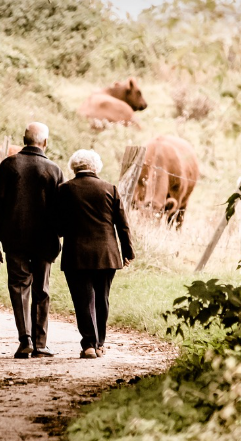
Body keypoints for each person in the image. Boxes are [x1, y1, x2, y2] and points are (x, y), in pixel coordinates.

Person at [0, 122, 65, 359]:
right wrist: (59, 235)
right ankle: (41, 344)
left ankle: (25, 341)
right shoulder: (54, 170)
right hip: (45, 241)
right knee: (42, 289)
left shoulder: (9, 166)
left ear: (24, 139)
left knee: (19, 288)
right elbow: (61, 210)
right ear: (45, 143)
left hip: (15, 239)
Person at [57, 149, 134, 359]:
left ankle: (88, 345)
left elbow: (59, 226)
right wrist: (127, 252)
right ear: (96, 167)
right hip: (107, 254)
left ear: (74, 167)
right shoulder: (110, 189)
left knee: (83, 300)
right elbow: (123, 225)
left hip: (76, 254)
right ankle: (100, 344)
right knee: (102, 298)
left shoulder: (64, 190)